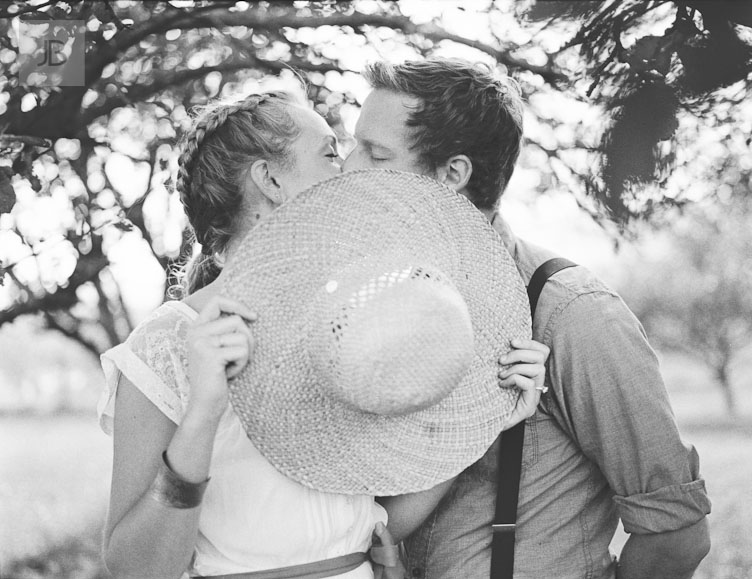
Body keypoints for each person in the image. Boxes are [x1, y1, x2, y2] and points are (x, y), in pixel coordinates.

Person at [98, 90, 550, 579]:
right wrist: (204, 413)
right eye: (332, 154)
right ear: (270, 180)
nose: (351, 170)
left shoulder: (348, 323)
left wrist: (484, 418)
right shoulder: (167, 344)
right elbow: (133, 568)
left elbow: (369, 529)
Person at [342, 58, 712, 579]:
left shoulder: (574, 315)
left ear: (452, 175)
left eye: (376, 155)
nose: (349, 168)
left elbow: (677, 534)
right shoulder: (382, 303)